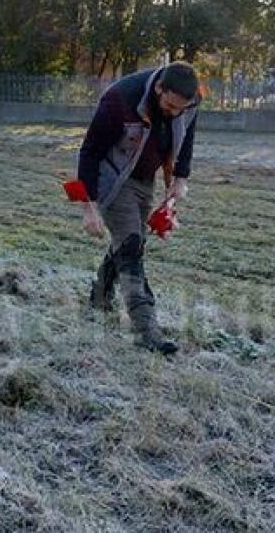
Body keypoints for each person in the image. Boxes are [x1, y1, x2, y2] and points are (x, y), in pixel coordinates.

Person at [77, 61, 203, 355]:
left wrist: (180, 178)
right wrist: (89, 207)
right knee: (131, 248)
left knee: (129, 242)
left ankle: (98, 296)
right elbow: (90, 151)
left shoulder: (190, 100)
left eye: (180, 109)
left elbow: (187, 136)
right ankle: (148, 332)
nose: (174, 113)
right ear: (159, 88)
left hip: (145, 179)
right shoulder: (118, 99)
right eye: (170, 106)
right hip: (114, 179)